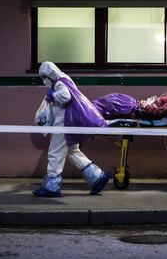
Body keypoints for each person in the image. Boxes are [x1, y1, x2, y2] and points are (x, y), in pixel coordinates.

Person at [32, 61, 113, 197]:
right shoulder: (65, 79)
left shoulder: (59, 83)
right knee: (72, 151)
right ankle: (96, 177)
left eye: (45, 77)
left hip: (63, 124)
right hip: (69, 123)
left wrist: (52, 95)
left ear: (51, 75)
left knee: (55, 152)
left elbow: (65, 97)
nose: (44, 80)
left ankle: (52, 186)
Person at [93, 80, 167, 120]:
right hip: (138, 105)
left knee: (113, 101)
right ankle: (91, 108)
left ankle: (91, 111)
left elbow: (159, 112)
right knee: (115, 97)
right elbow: (160, 104)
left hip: (139, 110)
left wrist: (146, 106)